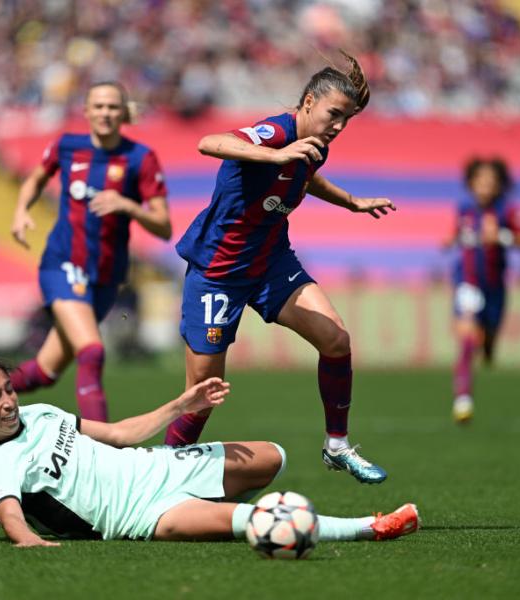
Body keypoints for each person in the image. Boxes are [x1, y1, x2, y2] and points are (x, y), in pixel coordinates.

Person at [164, 51, 395, 485]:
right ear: (308, 102)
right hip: (219, 270)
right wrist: (272, 154)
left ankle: (337, 446)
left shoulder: (315, 147)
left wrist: (351, 202)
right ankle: (159, 469)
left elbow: (305, 176)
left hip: (270, 262)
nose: (339, 126)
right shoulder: (275, 132)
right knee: (204, 394)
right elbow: (209, 142)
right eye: (333, 114)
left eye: (346, 119)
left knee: (335, 339)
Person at [0, 356, 420, 546]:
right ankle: (369, 528)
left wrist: (182, 403)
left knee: (273, 457)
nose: (9, 402)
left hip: (155, 467)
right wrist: (30, 543)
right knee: (253, 521)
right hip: (143, 514)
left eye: (9, 390)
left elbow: (123, 434)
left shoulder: (42, 415)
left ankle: (210, 505)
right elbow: (9, 514)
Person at [9, 82, 172, 421]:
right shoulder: (67, 147)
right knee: (92, 350)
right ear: (85, 111)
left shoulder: (139, 158)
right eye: (98, 106)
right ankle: (101, 449)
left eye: (112, 107)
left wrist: (128, 205)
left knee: (44, 372)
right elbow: (36, 178)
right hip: (63, 263)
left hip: (106, 277)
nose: (105, 113)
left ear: (123, 112)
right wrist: (22, 210)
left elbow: (163, 225)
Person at [442, 157, 520, 424]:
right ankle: (463, 399)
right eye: (480, 181)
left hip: (495, 286)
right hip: (467, 281)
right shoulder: (464, 209)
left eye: (490, 182)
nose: (484, 186)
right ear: (471, 183)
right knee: (468, 339)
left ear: (499, 185)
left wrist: (503, 236)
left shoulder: (508, 211)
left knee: (488, 342)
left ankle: (490, 348)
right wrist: (451, 240)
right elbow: (457, 235)